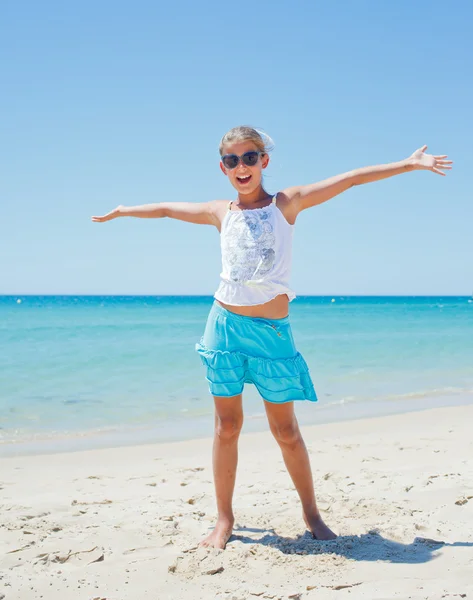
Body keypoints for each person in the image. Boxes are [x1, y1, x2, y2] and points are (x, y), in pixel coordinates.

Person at [92, 126, 452, 549]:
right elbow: (169, 209)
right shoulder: (219, 211)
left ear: (264, 161)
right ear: (222, 167)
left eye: (249, 157)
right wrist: (124, 210)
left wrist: (409, 164)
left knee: (286, 431)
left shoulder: (287, 204)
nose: (241, 166)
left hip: (272, 334)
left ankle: (312, 514)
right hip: (224, 326)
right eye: (232, 160)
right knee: (227, 426)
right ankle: (224, 519)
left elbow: (351, 177)